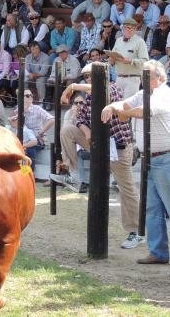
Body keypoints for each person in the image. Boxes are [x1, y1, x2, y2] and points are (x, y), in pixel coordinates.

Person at [102, 60, 170, 265]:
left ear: (160, 78)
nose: (144, 80)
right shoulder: (146, 92)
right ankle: (158, 251)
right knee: (152, 207)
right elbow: (127, 103)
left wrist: (121, 113)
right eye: (144, 76)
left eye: (148, 76)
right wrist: (112, 106)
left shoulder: (163, 94)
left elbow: (142, 111)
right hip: (151, 157)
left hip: (166, 157)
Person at [57, 63, 141, 245]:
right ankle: (71, 173)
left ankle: (135, 231)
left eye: (91, 76)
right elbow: (80, 118)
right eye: (86, 77)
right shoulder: (88, 99)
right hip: (98, 145)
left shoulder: (112, 89)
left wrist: (72, 86)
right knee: (67, 131)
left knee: (126, 190)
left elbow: (100, 88)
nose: (89, 80)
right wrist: (86, 130)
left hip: (118, 148)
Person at [108, 18, 149, 98]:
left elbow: (145, 62)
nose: (127, 30)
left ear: (135, 29)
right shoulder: (118, 40)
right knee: (118, 106)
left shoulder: (140, 42)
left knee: (128, 106)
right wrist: (111, 59)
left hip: (132, 79)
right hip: (119, 78)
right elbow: (112, 59)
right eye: (125, 27)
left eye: (129, 28)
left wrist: (131, 61)